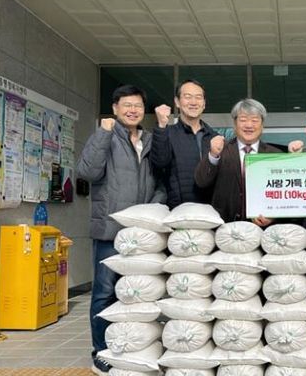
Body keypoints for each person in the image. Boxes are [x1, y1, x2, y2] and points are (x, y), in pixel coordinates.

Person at [77, 85, 165, 376]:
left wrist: (152, 210)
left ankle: (130, 348)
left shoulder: (149, 140)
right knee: (104, 293)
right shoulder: (105, 136)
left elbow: (161, 181)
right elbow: (87, 172)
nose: (132, 110)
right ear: (115, 108)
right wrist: (103, 133)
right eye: (126, 105)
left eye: (138, 105)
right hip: (110, 230)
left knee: (138, 294)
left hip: (142, 234)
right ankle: (101, 351)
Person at [195, 98, 280, 225]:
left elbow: (282, 195)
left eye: (255, 120)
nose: (249, 125)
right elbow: (201, 182)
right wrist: (213, 155)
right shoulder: (220, 149)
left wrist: (272, 216)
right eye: (243, 120)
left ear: (262, 125)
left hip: (261, 229)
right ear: (235, 124)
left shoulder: (275, 155)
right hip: (225, 227)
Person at [150, 79, 217, 208]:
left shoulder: (215, 137)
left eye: (198, 97)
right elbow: (159, 163)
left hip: (210, 211)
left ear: (204, 103)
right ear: (177, 102)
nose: (193, 102)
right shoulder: (166, 133)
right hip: (178, 211)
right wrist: (161, 126)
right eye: (187, 97)